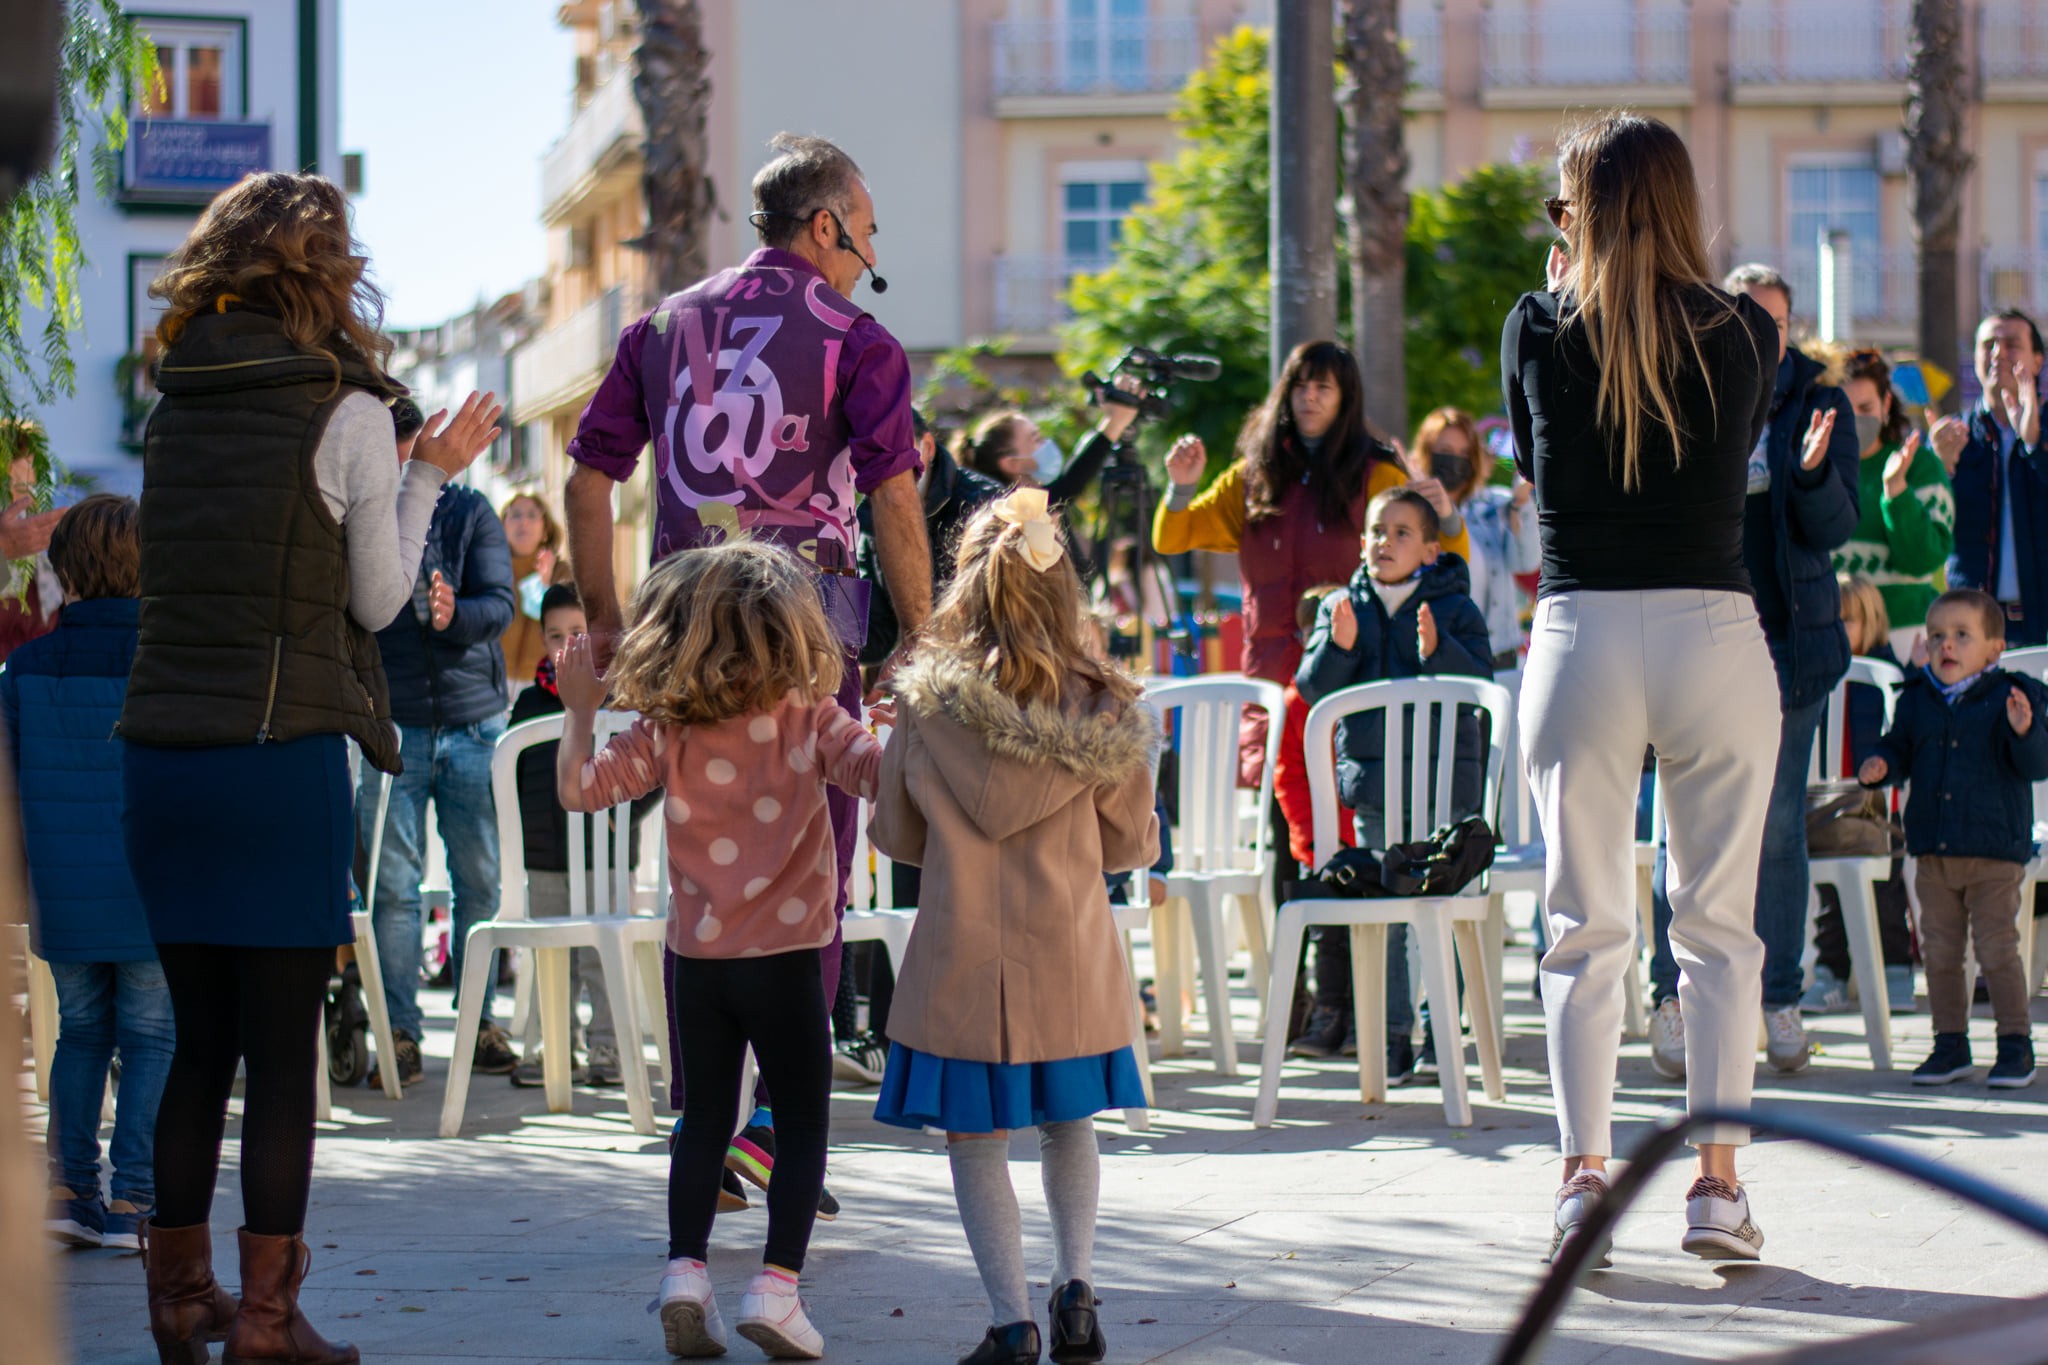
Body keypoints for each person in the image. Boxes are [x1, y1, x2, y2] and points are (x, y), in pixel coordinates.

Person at [118, 170, 499, 1365]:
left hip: (164, 759)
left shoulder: (172, 405)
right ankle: (268, 1326)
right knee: (282, 1059)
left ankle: (180, 1305)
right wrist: (425, 469)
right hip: (278, 755)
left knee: (194, 1046)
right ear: (326, 270)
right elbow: (380, 599)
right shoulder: (340, 406)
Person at [564, 133, 930, 1207]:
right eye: (864, 232)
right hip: (804, 642)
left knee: (703, 869)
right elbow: (892, 496)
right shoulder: (854, 338)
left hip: (682, 650)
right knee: (809, 874)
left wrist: (606, 625)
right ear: (825, 227)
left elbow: (589, 485)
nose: (868, 253)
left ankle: (708, 1118)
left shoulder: (660, 326)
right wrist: (918, 634)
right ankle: (775, 1121)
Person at [1503, 112, 1786, 1267]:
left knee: (1582, 931)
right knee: (1717, 932)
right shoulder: (1740, 333)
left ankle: (1581, 1179)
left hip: (1578, 633)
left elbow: (1531, 465)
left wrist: (1564, 275)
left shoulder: (1536, 323)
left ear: (1579, 213)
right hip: (1711, 629)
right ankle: (1714, 1189)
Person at [558, 542, 883, 1360]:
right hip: (787, 963)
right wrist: (904, 721)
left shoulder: (666, 729)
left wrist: (578, 712)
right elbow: (884, 778)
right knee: (803, 1118)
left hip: (700, 967)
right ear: (791, 630)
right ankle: (776, 1286)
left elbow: (578, 790)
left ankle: (685, 1273)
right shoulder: (813, 716)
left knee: (703, 1117)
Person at [870, 488, 1157, 1365]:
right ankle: (1076, 1290)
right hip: (1068, 948)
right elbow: (1130, 844)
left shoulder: (928, 703)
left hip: (963, 952)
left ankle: (1010, 1319)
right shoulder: (1104, 704)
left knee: (976, 1136)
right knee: (1069, 1123)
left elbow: (896, 835)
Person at [1642, 261, 1860, 1082]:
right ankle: (1675, 996)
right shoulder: (1688, 384)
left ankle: (1778, 997)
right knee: (1680, 828)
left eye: (1773, 322)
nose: (1760, 335)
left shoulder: (1822, 402)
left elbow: (1836, 526)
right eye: (1745, 318)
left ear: (1791, 327)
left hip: (1788, 650)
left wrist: (1804, 474)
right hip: (1690, 641)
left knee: (1773, 831)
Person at [1152, 341, 1472, 783]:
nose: (1310, 396)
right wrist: (1181, 488)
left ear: (1345, 397)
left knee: (1347, 822)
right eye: (1300, 386)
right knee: (1281, 826)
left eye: (1324, 386)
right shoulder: (1252, 475)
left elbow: (1446, 562)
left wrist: (1449, 520)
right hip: (1269, 681)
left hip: (1350, 681)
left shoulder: (1379, 474)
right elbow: (1173, 537)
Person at [1, 495, 169, 1254]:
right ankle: (137, 1196)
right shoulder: (168, 660)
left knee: (80, 1032)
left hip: (62, 890)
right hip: (152, 883)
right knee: (152, 1036)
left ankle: (69, 1186)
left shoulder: (24, 667)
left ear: (61, 569)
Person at [1293, 488, 1494, 1077]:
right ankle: (1391, 1037)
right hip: (1377, 791)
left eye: (1403, 532)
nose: (1386, 541)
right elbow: (1312, 689)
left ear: (1431, 549)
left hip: (1443, 792)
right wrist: (1341, 647)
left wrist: (1438, 652)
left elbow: (1482, 684)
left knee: (1438, 904)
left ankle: (1440, 1032)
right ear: (1361, 543)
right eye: (1378, 531)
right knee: (1384, 904)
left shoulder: (1455, 608)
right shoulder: (1341, 608)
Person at [358, 398, 518, 1089]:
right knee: (391, 888)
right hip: (391, 725)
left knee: (477, 878)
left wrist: (454, 616)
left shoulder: (469, 511)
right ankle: (398, 1029)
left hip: (472, 722)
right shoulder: (362, 513)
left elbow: (501, 605)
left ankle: (478, 1020)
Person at [1859, 588, 2048, 1089]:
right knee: (1940, 953)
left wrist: (2025, 731)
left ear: (1994, 649)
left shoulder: (2011, 696)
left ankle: (2014, 1044)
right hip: (1934, 851)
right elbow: (1899, 746)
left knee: (1997, 950)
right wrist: (1882, 764)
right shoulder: (1919, 698)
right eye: (1938, 635)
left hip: (1993, 854)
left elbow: (2036, 766)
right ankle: (1950, 1045)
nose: (1947, 645)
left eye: (1962, 635)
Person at [505, 582, 659, 1089]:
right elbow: (510, 775)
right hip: (546, 856)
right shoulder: (530, 702)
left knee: (600, 953)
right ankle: (555, 1042)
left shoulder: (621, 700)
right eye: (555, 635)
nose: (567, 645)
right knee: (553, 954)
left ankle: (608, 1045)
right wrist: (524, 836)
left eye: (578, 632)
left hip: (606, 856)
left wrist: (625, 819)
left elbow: (653, 769)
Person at [1804, 574, 1914, 1016]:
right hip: (1826, 806)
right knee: (1829, 895)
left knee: (1886, 891)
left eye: (1846, 620)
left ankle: (1896, 970)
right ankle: (1831, 972)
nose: (1837, 628)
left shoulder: (1889, 673)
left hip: (1877, 808)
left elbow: (1907, 724)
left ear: (1871, 621)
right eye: (1830, 618)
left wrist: (1920, 674)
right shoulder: (1816, 673)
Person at [1831, 346, 1953, 657]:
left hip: (1904, 644)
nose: (1855, 419)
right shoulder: (1813, 467)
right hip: (1828, 643)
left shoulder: (1920, 466)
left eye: (1865, 407)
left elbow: (1924, 559)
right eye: (1845, 408)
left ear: (1886, 405)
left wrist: (1895, 490)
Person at [1933, 309, 2046, 644]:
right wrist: (1939, 470)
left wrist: (2034, 445)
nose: (1998, 354)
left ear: (2037, 362)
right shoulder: (1954, 437)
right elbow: (1927, 535)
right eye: (1988, 345)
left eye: (2012, 344)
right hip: (1973, 627)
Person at [1409, 407, 1538, 668]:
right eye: (1445, 451)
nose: (1455, 461)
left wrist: (1521, 504)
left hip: (1503, 658)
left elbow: (1526, 562)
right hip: (1445, 661)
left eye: (1464, 453)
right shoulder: (1408, 512)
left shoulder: (1495, 505)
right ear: (1426, 452)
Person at [499, 491, 569, 686]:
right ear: (502, 525)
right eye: (515, 515)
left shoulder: (562, 572)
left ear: (545, 529)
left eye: (532, 515)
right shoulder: (490, 569)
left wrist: (547, 584)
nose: (523, 523)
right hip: (495, 680)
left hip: (546, 681)